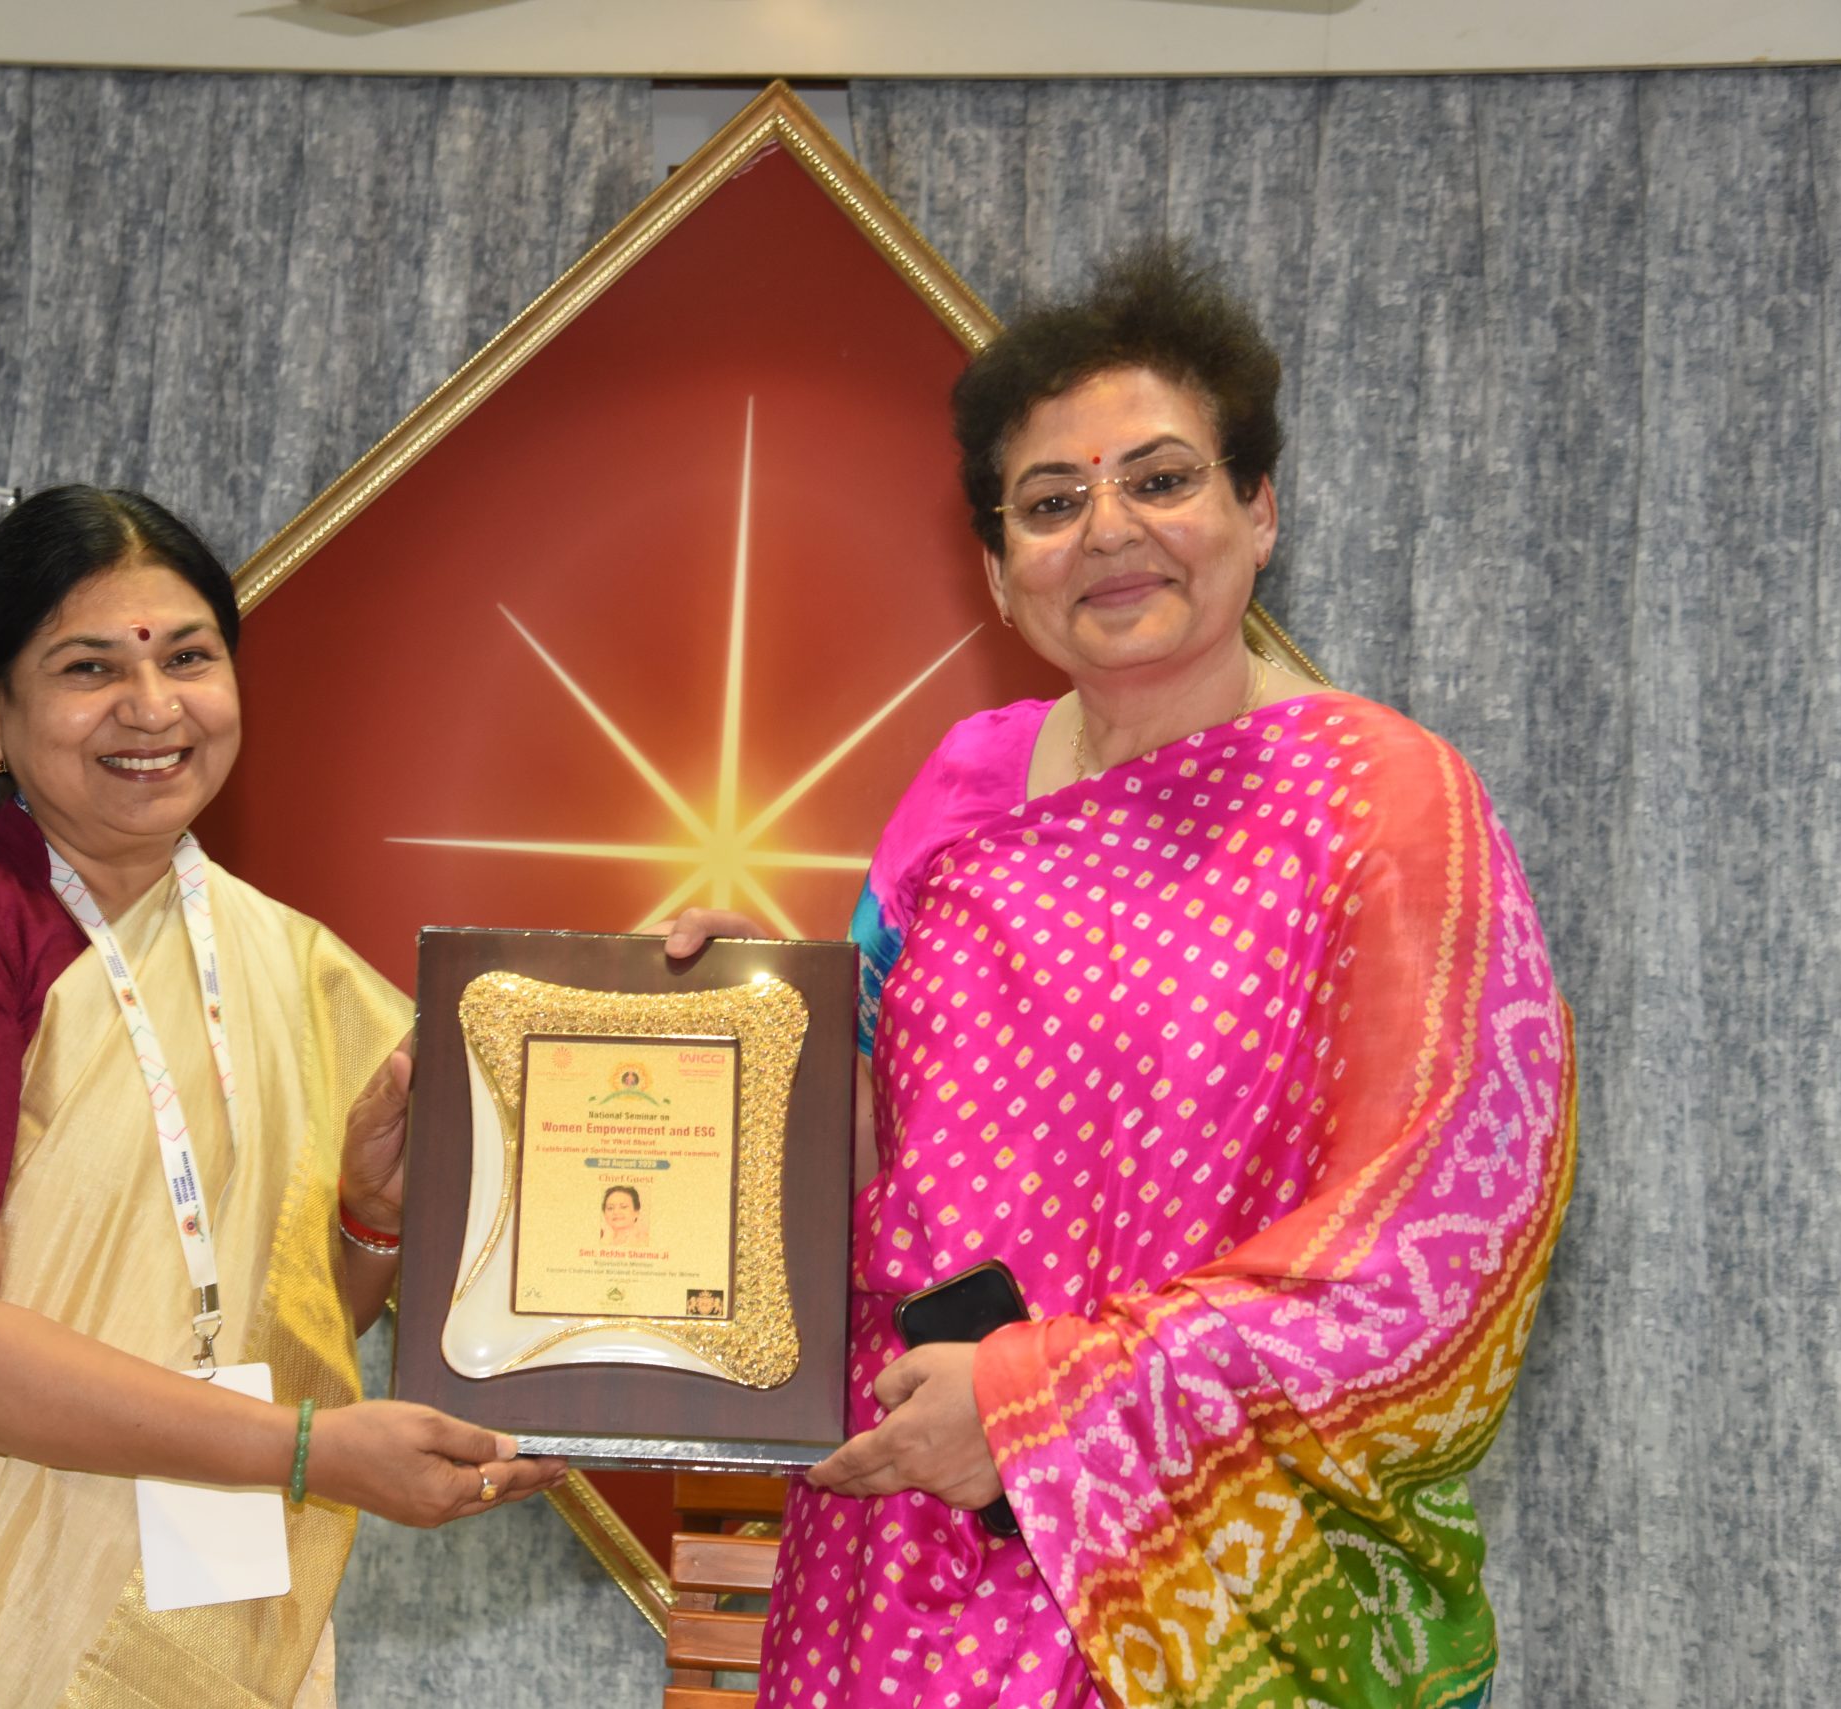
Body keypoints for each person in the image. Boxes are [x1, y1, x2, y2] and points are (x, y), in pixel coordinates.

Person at [663, 243, 1573, 1708]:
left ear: (1258, 508)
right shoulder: (963, 788)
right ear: (995, 565)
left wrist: (1036, 1409)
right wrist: (739, 1038)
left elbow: (1434, 1261)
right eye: (1049, 501)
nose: (1107, 530)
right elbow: (867, 1165)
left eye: (1160, 479)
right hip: (906, 1566)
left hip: (1227, 1592)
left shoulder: (1389, 805)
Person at [0, 487, 565, 1709]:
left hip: (186, 1575)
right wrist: (307, 1450)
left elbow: (270, 1324)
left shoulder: (286, 961)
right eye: (89, 666)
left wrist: (368, 1218)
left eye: (188, 657)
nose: (152, 706)